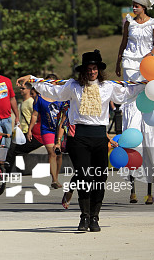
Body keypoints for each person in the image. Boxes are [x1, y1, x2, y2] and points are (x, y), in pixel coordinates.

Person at [18, 50, 144, 232]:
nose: (92, 71)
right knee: (84, 177)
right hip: (79, 138)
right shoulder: (73, 86)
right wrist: (32, 79)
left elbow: (126, 93)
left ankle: (95, 217)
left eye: (95, 68)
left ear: (99, 70)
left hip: (100, 137)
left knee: (100, 179)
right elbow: (53, 90)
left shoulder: (108, 86)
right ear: (83, 71)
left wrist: (147, 85)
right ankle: (84, 217)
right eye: (89, 68)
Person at [115, 0, 154, 205]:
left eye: (137, 4)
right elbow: (124, 42)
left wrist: (150, 56)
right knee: (130, 120)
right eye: (133, 4)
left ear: (144, 7)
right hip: (129, 63)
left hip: (147, 63)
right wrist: (118, 61)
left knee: (149, 127)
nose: (134, 7)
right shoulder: (129, 22)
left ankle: (150, 188)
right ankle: (132, 187)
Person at [27, 74, 67, 189]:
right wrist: (30, 130)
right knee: (52, 153)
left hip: (60, 130)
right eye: (48, 83)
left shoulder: (62, 98)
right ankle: (54, 180)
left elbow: (65, 114)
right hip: (46, 130)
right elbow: (34, 115)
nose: (50, 85)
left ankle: (56, 176)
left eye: (52, 83)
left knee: (59, 154)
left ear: (57, 84)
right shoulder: (40, 98)